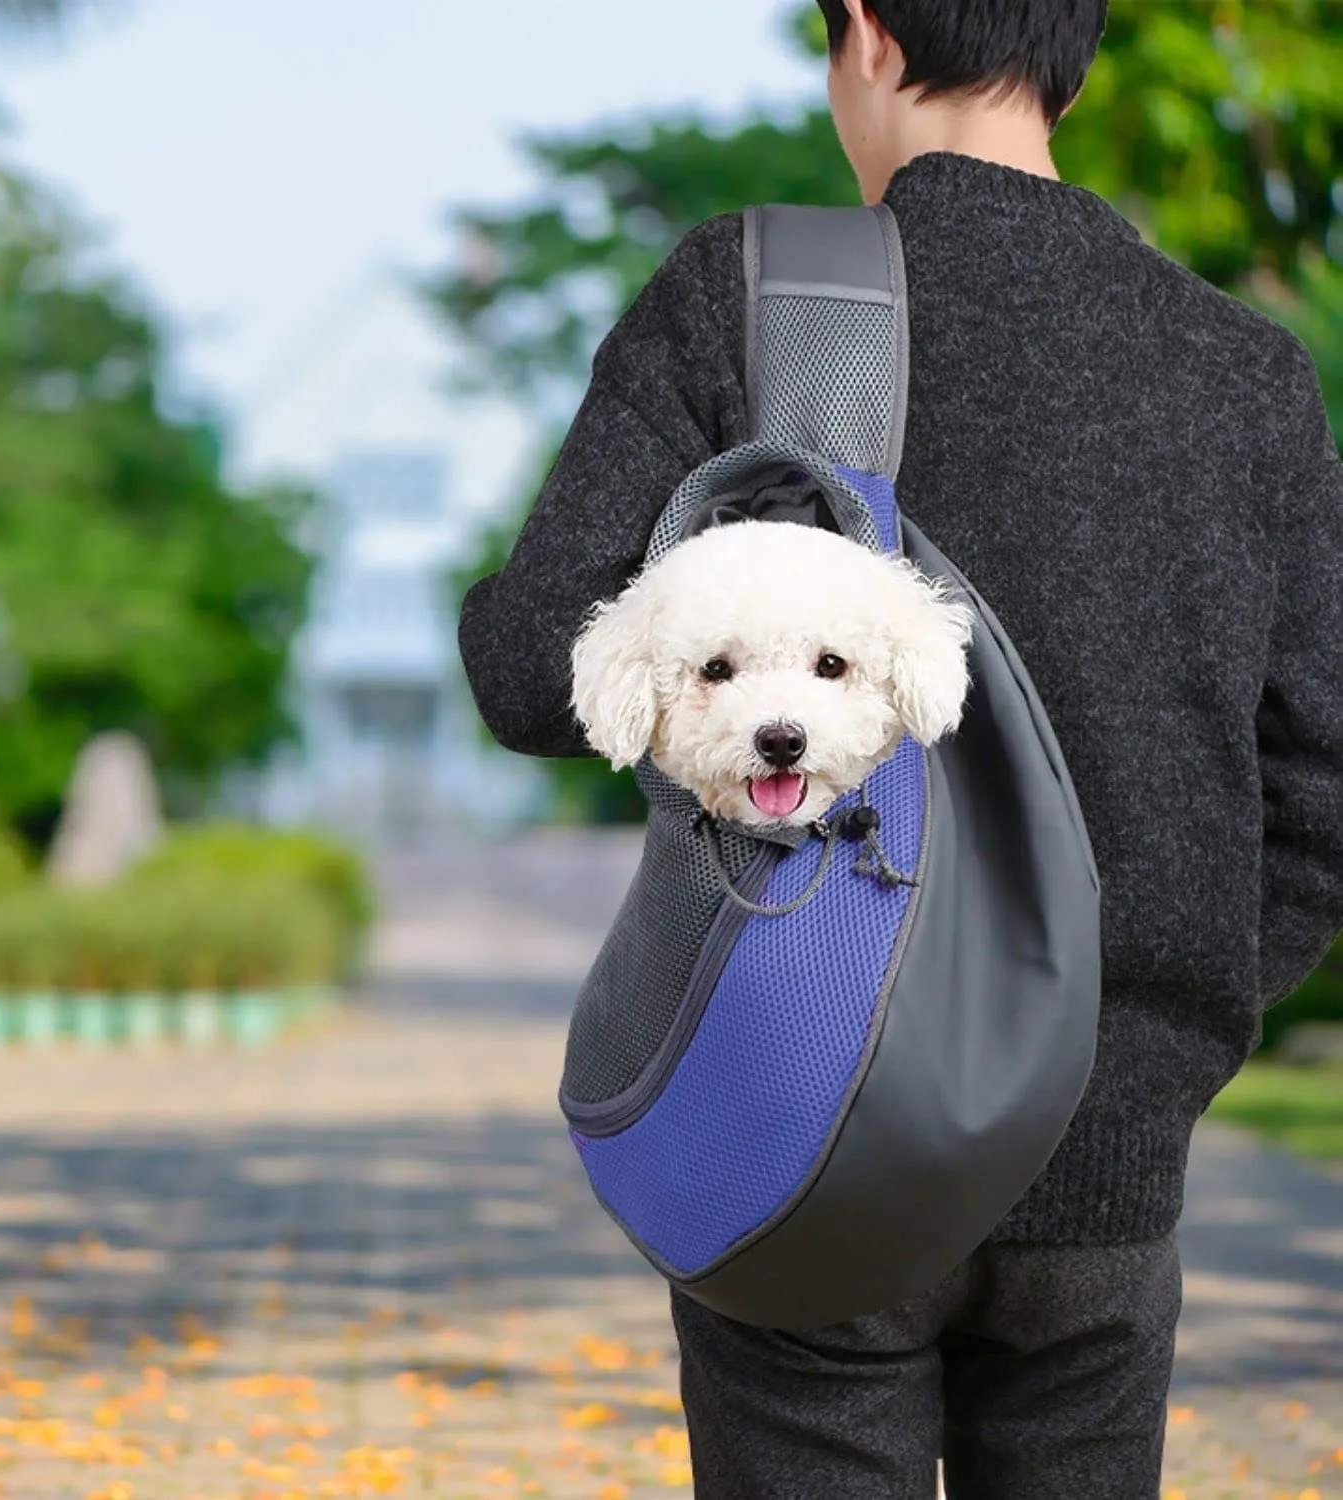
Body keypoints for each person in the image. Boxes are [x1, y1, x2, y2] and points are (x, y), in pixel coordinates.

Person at [456, 1, 1343, 1494]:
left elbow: (528, 670)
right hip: (1109, 1142)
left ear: (862, 30)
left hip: (806, 1109)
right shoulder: (1246, 372)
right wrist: (1160, 1040)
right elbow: (1321, 786)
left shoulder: (748, 300)